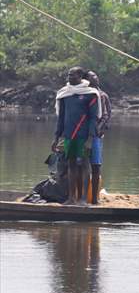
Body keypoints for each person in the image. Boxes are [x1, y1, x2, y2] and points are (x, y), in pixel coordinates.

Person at [52, 66, 101, 205]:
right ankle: (71, 198)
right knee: (71, 165)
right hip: (68, 136)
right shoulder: (64, 94)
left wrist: (90, 139)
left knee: (85, 165)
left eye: (72, 75)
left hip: (83, 136)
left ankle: (84, 198)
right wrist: (56, 138)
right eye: (68, 75)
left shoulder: (90, 94)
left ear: (80, 76)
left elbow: (93, 118)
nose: (69, 77)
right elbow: (61, 118)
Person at [84, 70, 112, 204]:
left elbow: (107, 116)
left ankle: (94, 198)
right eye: (91, 76)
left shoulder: (102, 95)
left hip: (96, 136)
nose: (95, 78)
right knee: (82, 166)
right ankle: (83, 196)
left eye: (95, 75)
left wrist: (97, 131)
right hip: (83, 135)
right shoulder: (84, 95)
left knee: (95, 166)